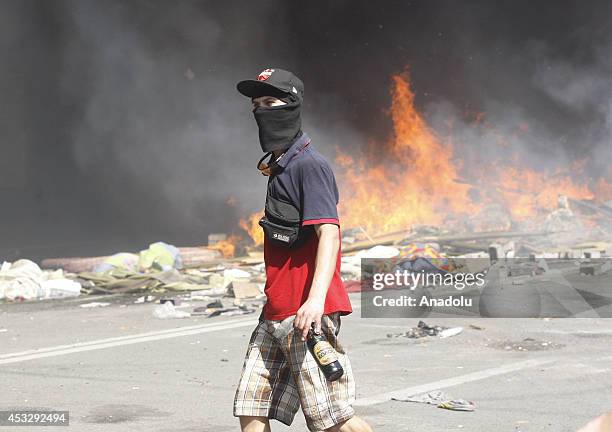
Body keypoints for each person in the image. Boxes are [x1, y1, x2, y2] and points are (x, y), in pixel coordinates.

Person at [233, 68, 373, 432]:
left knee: (332, 420)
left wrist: (314, 302)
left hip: (305, 312)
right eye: (257, 105)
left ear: (292, 106)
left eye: (271, 102)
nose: (262, 111)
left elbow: (329, 234)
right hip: (276, 309)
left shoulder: (310, 166)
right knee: (251, 405)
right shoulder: (281, 166)